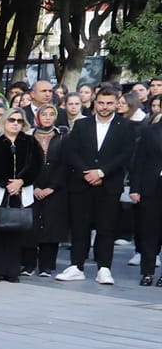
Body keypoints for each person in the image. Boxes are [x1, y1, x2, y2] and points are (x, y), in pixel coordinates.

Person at [58, 81, 134, 284]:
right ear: (94, 103)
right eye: (101, 102)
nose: (105, 107)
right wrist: (87, 172)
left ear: (117, 103)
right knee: (79, 226)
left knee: (106, 227)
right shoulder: (82, 124)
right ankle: (76, 266)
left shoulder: (125, 126)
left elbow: (126, 154)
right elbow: (71, 151)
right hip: (81, 183)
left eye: (109, 103)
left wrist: (101, 172)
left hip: (109, 185)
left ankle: (104, 268)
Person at [0, 110, 43, 283]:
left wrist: (21, 181)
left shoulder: (30, 141)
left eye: (19, 121)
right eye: (12, 120)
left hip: (22, 193)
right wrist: (5, 183)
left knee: (16, 232)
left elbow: (37, 166)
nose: (15, 123)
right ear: (4, 121)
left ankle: (11, 271)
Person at [25, 103, 68, 278]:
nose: (48, 117)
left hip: (55, 189)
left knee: (51, 227)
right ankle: (27, 264)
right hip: (31, 188)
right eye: (44, 114)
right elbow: (25, 163)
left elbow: (65, 164)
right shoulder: (28, 136)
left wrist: (52, 187)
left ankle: (46, 266)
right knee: (30, 226)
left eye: (51, 114)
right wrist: (34, 186)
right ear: (38, 116)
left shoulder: (62, 137)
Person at [130, 111, 162, 286]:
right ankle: (148, 272)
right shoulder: (150, 131)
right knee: (149, 232)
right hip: (152, 187)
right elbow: (138, 161)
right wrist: (135, 188)